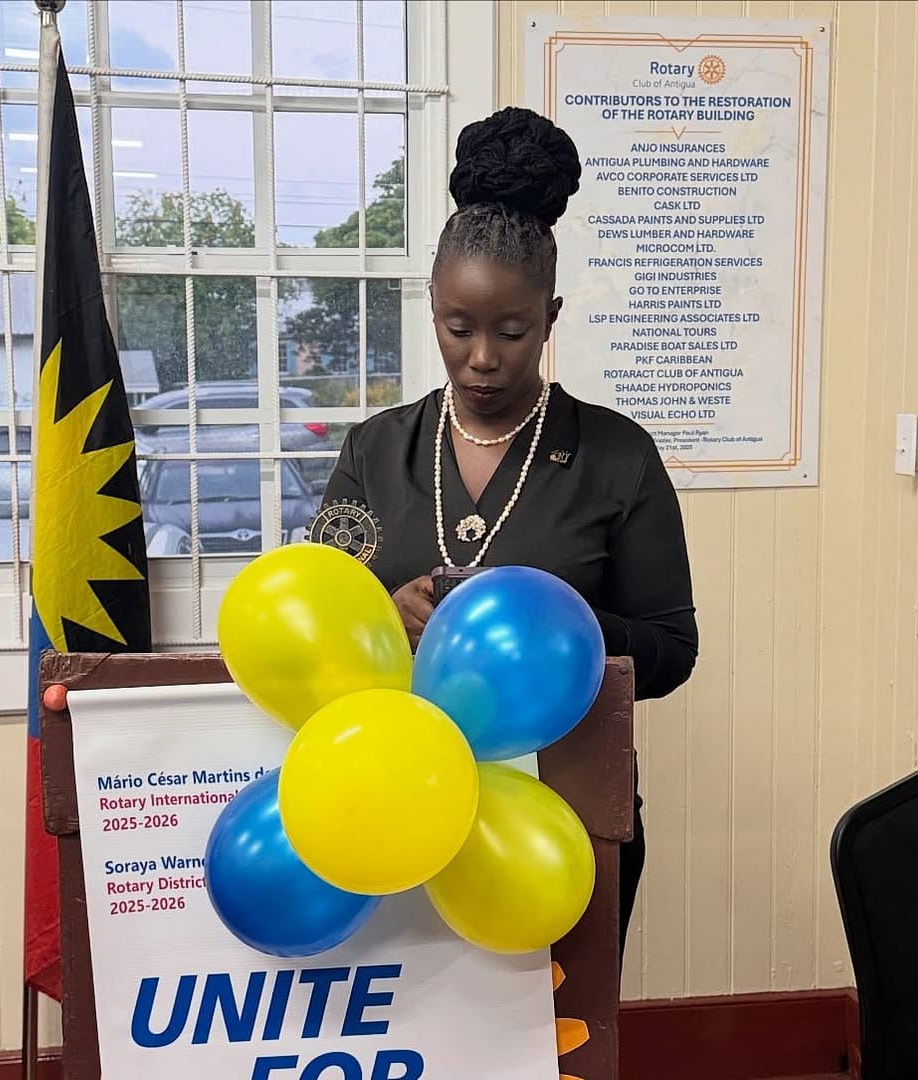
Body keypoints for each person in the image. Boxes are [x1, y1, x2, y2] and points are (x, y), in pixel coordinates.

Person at [313, 106, 698, 962]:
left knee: (562, 1027)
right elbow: (323, 613)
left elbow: (672, 652)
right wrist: (385, 612)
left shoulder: (616, 456)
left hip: (556, 828)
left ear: (550, 316)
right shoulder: (374, 450)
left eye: (511, 331)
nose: (483, 357)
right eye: (459, 328)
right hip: (389, 813)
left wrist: (550, 627)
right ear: (432, 309)